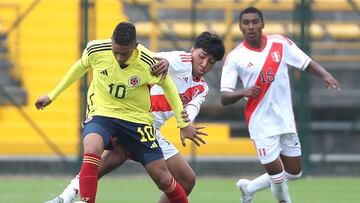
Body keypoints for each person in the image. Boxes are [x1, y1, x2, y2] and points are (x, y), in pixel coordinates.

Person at [44, 31, 225, 203]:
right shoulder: (182, 60)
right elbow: (159, 60)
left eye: (211, 61)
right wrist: (165, 63)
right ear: (193, 50)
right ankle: (66, 197)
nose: (204, 64)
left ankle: (67, 197)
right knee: (114, 155)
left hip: (151, 130)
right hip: (132, 118)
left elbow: (192, 108)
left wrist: (186, 123)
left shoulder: (202, 88)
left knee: (187, 179)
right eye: (202, 56)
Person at [220, 7, 341, 203]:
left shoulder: (280, 44)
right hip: (260, 123)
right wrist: (244, 91)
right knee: (277, 178)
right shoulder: (235, 57)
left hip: (285, 120)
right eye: (246, 23)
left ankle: (249, 188)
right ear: (240, 27)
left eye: (255, 22)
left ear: (262, 24)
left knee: (294, 173)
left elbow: (305, 62)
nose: (251, 26)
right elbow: (224, 97)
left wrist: (325, 75)